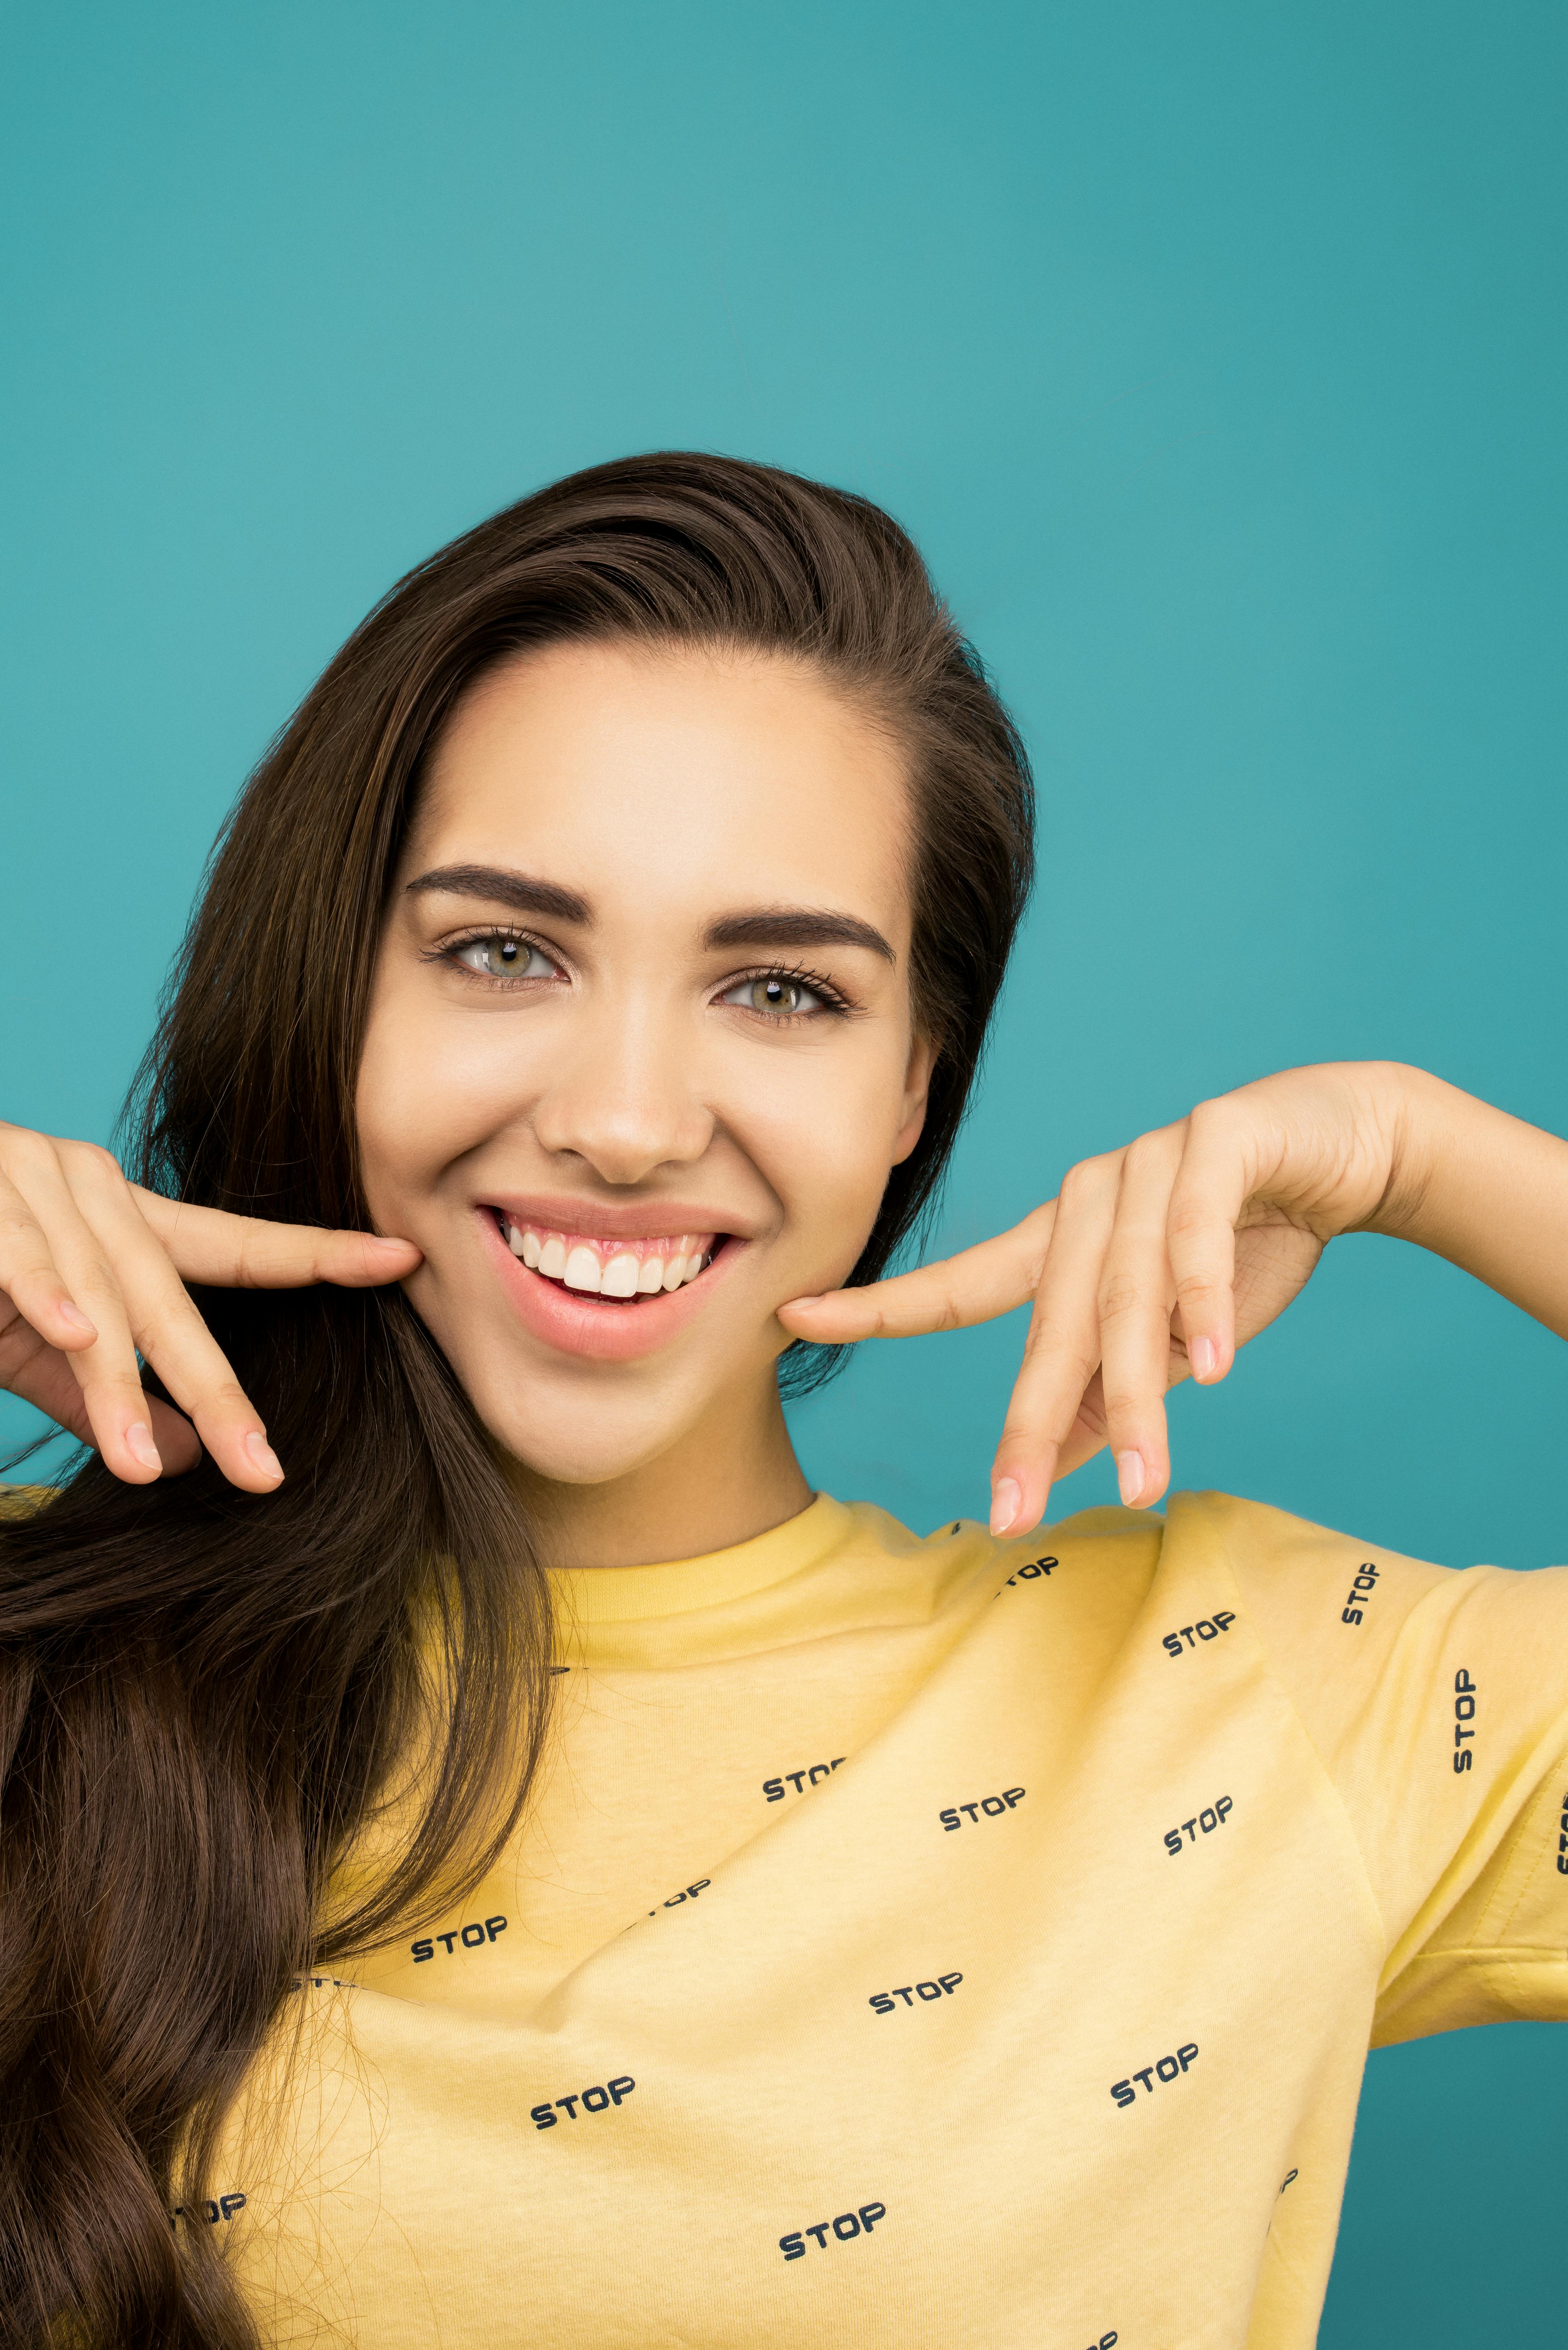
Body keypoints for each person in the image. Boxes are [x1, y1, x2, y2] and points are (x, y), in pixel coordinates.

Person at [1, 453, 1564, 2350]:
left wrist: (1422, 1151)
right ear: (340, 996)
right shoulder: (40, 1656)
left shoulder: (1253, 1694)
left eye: (783, 991)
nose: (629, 1118)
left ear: (920, 1083)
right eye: (504, 951)